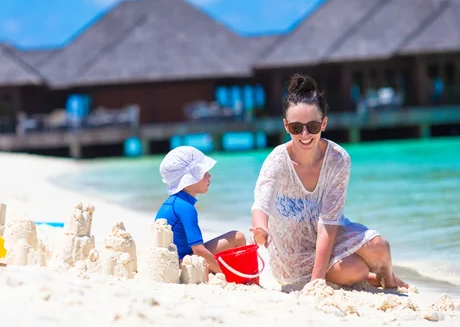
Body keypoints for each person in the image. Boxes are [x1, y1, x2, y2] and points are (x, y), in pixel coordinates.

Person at [250, 73, 408, 289]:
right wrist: (261, 228)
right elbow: (261, 204)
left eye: (312, 126)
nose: (304, 134)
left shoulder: (338, 158)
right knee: (357, 269)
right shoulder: (277, 161)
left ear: (323, 123)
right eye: (296, 128)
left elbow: (329, 221)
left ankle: (388, 280)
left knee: (379, 247)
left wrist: (318, 277)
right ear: (286, 127)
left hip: (330, 234)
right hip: (294, 254)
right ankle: (367, 277)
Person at [156, 146, 246, 274]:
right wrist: (224, 275)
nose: (209, 175)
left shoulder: (174, 202)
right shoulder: (186, 207)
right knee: (238, 237)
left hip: (177, 260)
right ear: (189, 179)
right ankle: (239, 273)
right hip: (184, 263)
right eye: (203, 172)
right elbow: (198, 249)